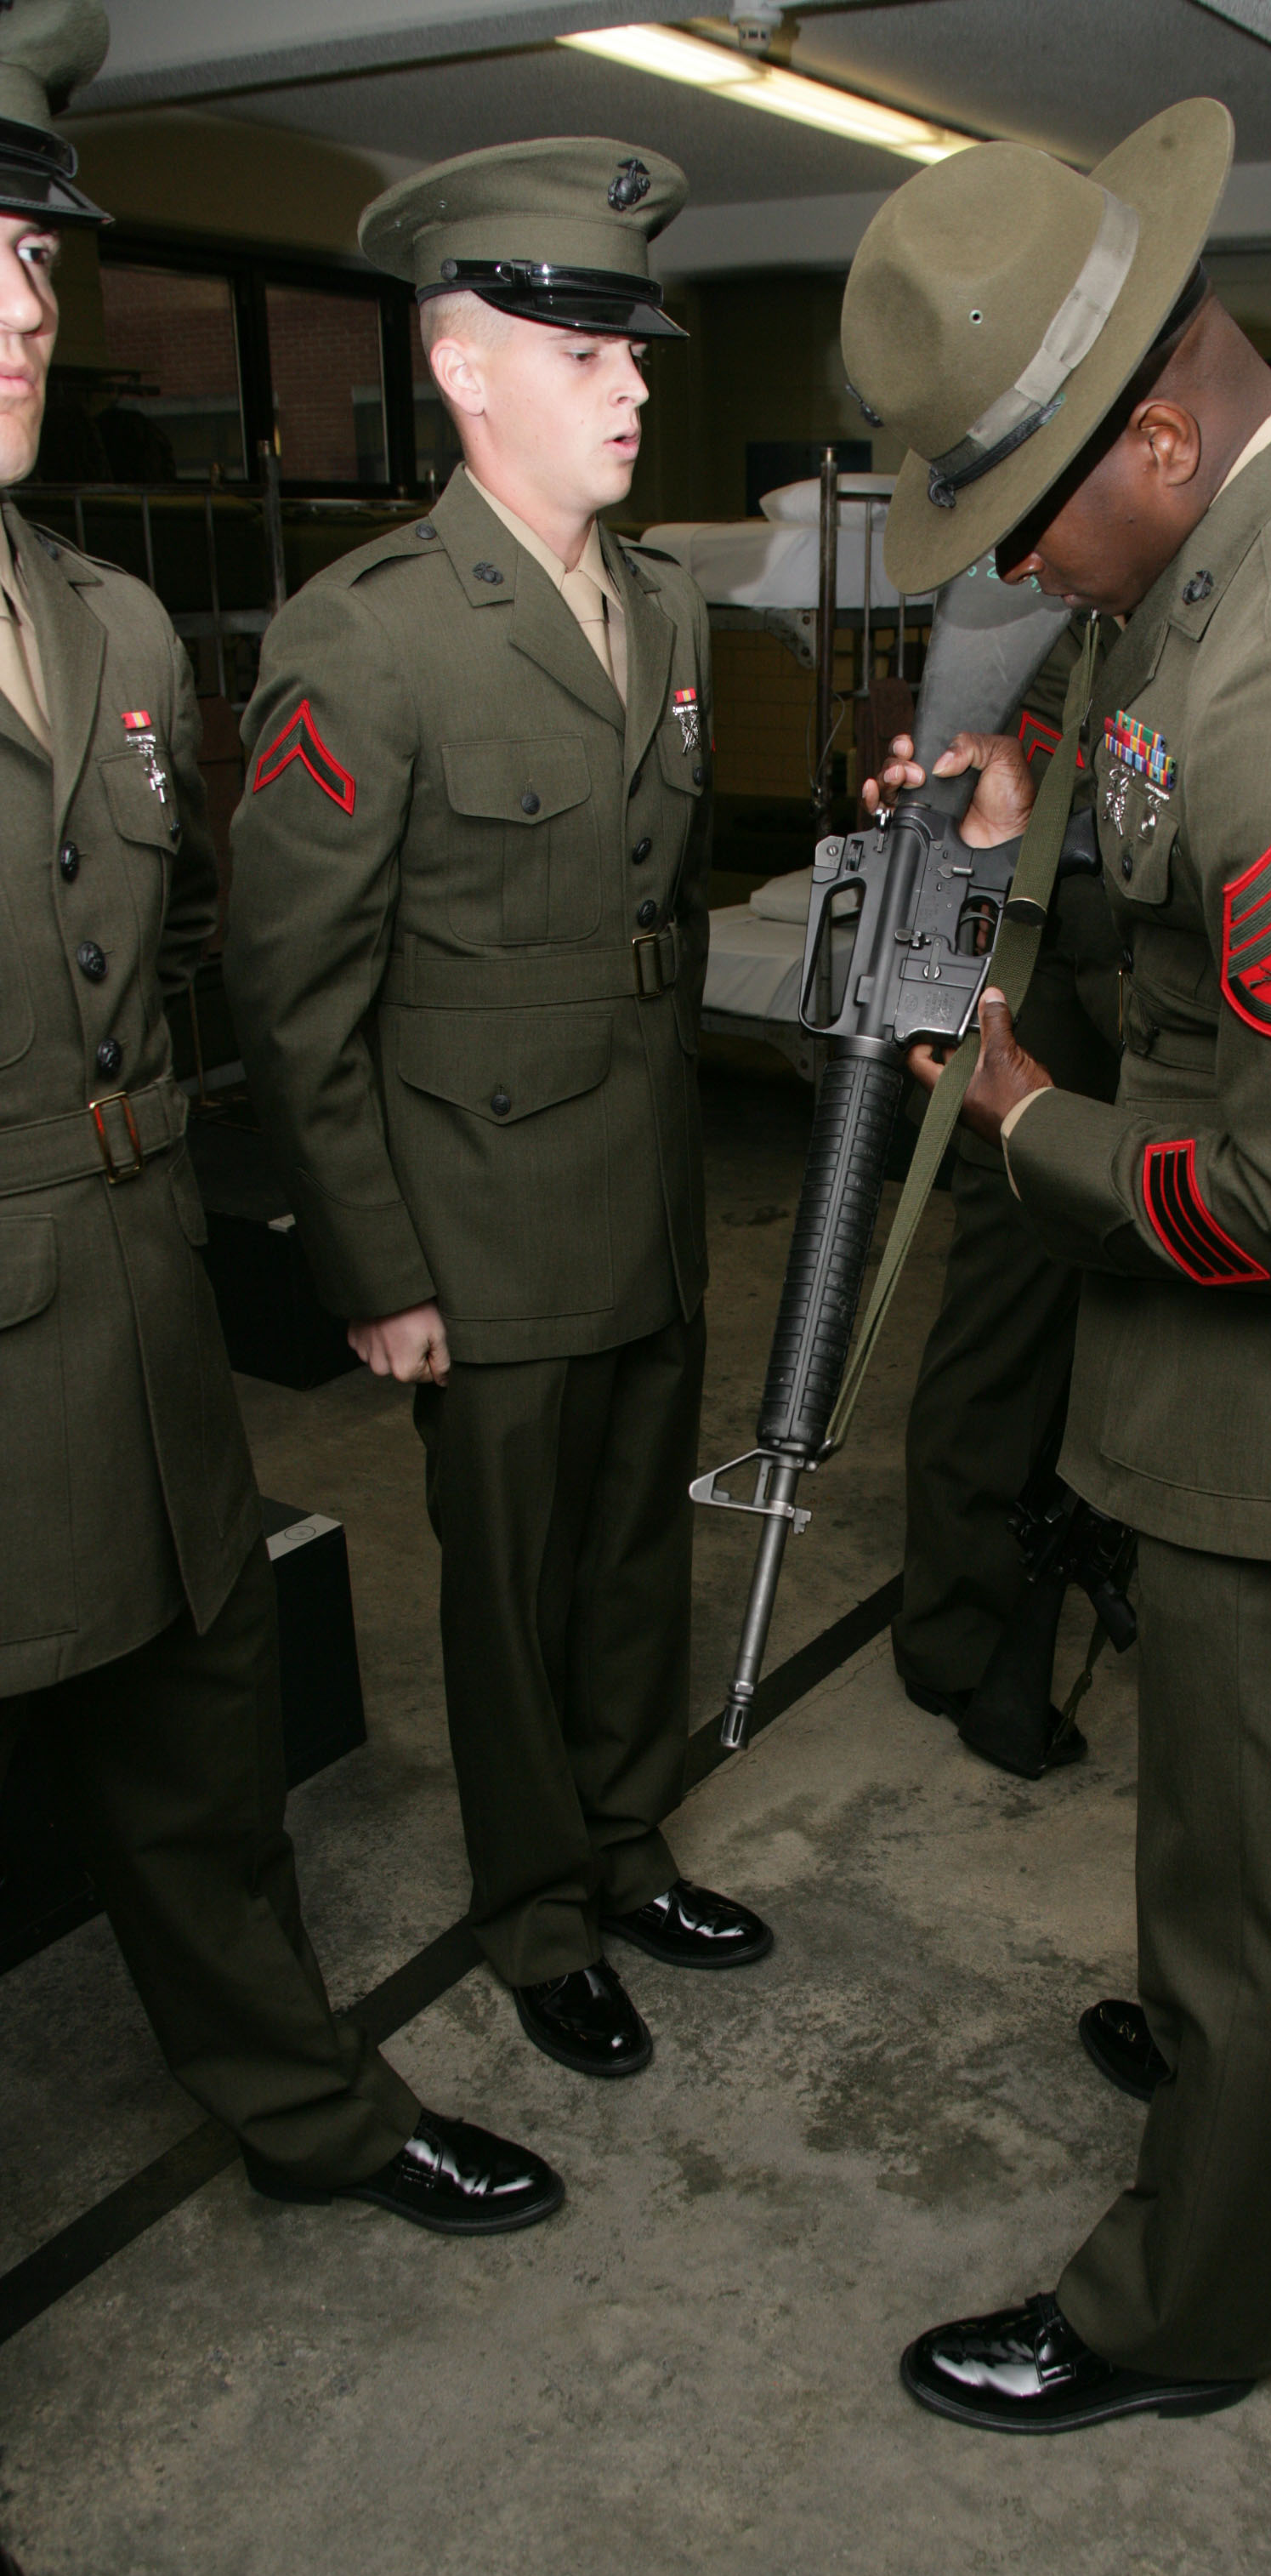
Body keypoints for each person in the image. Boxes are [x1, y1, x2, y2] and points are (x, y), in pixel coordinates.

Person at [843, 98, 1271, 2429]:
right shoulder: (1221, 555)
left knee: (1246, 1888)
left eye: (1029, 522)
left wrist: (1028, 1118)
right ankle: (1263, 2096)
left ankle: (1190, 2309)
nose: (1025, 575)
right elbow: (1188, 855)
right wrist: (1035, 820)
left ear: (1154, 425)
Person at [0, 0, 559, 2238]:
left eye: (39, 254)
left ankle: (310, 2115)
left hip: (134, 1338)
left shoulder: (116, 627)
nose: (27, 305)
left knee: (207, 1775)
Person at [227, 139, 769, 2088]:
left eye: (639, 349)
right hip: (473, 1204)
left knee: (635, 1556)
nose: (636, 383)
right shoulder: (369, 631)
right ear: (465, 373)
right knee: (515, 1588)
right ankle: (535, 1907)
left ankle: (627, 1848)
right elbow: (295, 991)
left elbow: (655, 908)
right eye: (588, 348)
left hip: (635, 1180)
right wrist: (375, 1264)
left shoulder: (666, 616)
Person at [878, 614, 1125, 1772]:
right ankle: (958, 1641)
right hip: (1046, 1021)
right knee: (1000, 1349)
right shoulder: (1058, 626)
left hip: (1102, 1031)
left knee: (1060, 1351)